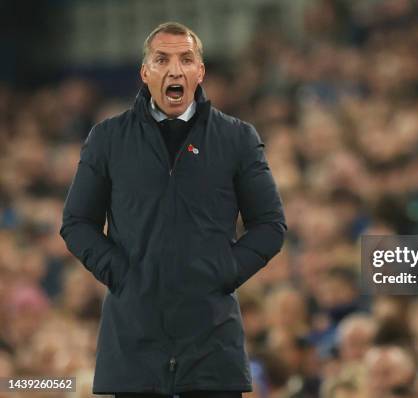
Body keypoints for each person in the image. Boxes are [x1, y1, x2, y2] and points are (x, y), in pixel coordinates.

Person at [59, 22, 286, 397]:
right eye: (162, 59)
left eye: (186, 59)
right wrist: (122, 275)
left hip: (212, 344)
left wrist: (222, 272)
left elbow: (270, 225)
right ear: (145, 73)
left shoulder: (237, 138)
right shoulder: (108, 138)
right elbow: (77, 223)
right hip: (133, 345)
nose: (174, 69)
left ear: (200, 72)